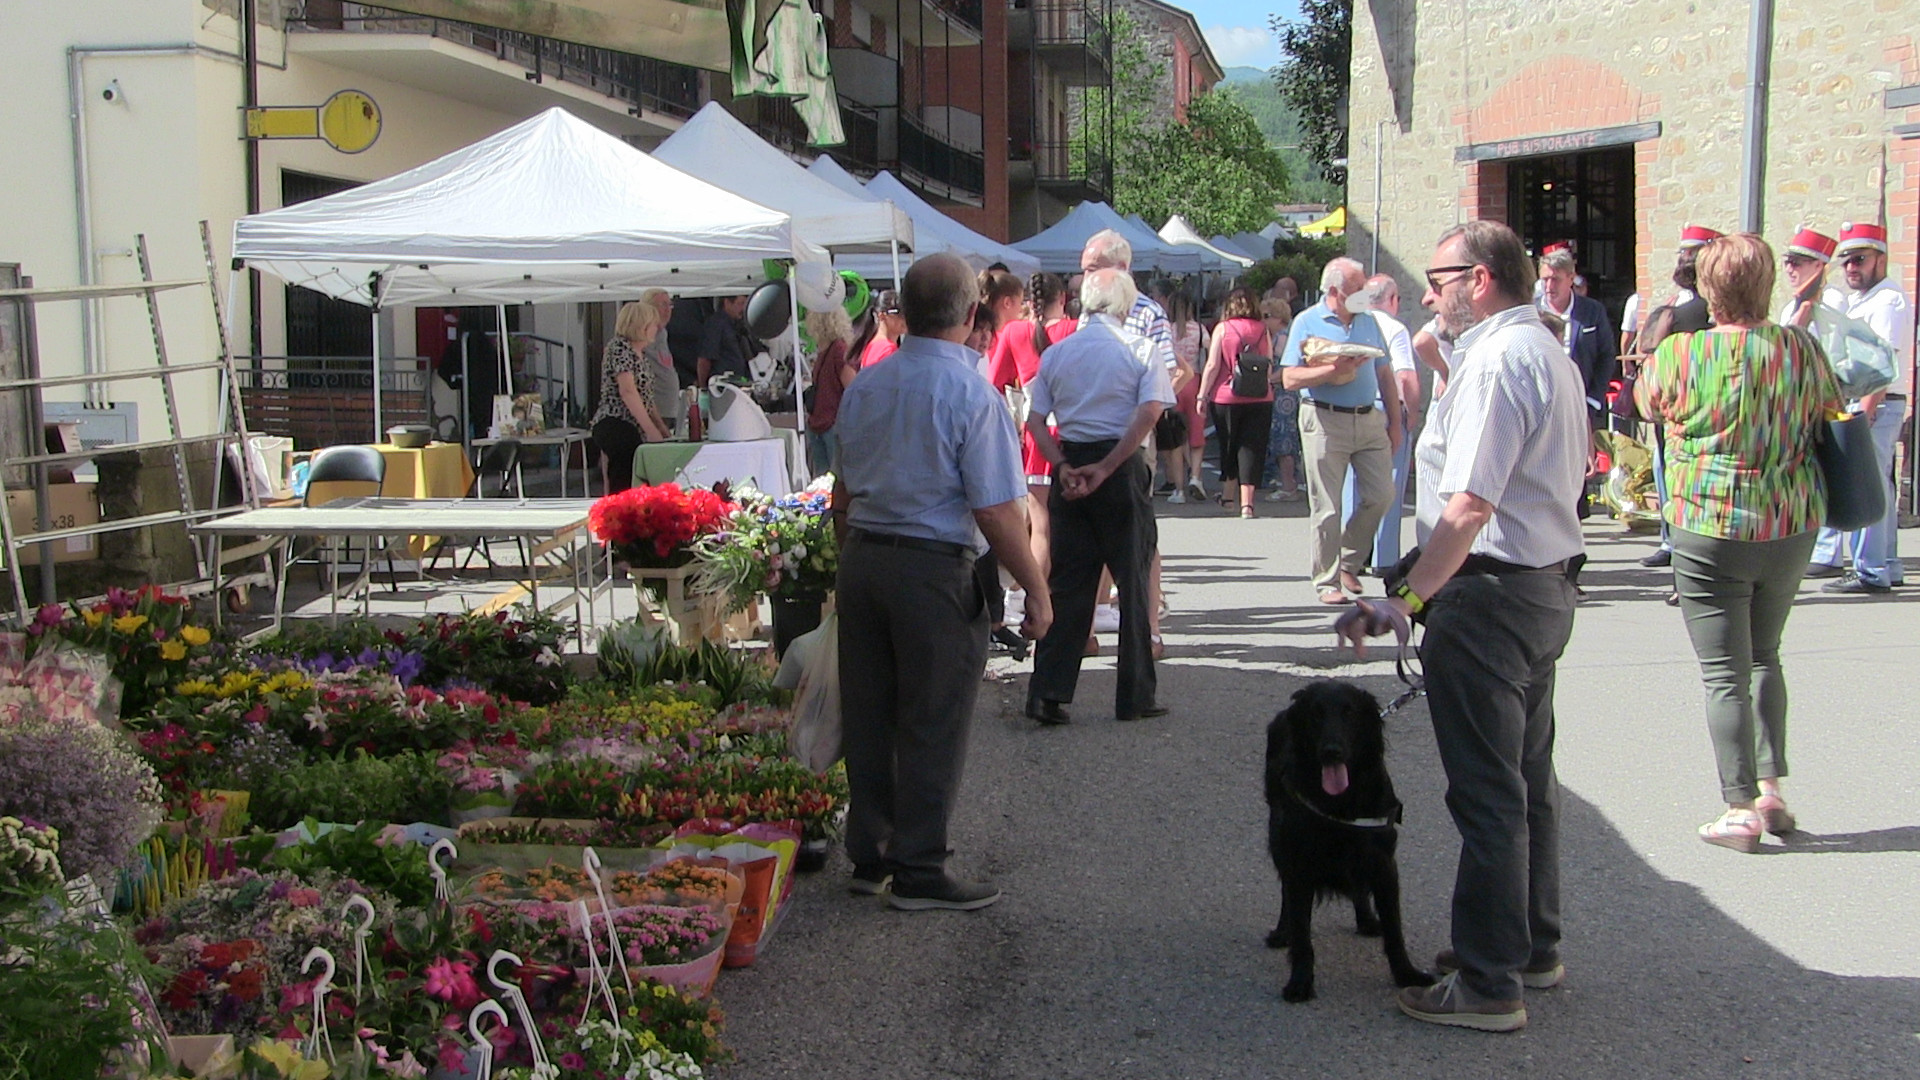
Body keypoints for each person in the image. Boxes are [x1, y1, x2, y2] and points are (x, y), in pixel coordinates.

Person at [1339, 220, 1587, 1032]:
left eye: (1439, 277)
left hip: (1491, 599)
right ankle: (1526, 948)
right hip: (1540, 587)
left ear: (1479, 279)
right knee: (1525, 784)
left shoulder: (1500, 358)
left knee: (1490, 797)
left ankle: (1488, 982)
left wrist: (1405, 600)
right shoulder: (1541, 347)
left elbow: (1470, 505)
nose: (1426, 293)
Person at [832, 253, 1053, 911]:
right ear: (968, 314)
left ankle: (871, 854)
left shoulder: (868, 385)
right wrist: (1036, 589)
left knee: (870, 714)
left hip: (866, 556)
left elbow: (841, 495)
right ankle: (921, 867)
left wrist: (853, 560)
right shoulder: (972, 395)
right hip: (931, 567)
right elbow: (995, 509)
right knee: (932, 719)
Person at [1634, 232, 1845, 852]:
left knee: (1724, 672)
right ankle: (1773, 789)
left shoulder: (1680, 353)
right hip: (1789, 518)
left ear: (1707, 289)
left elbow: (1645, 405)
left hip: (1709, 522)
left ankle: (1738, 807)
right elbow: (1833, 411)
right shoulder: (1800, 348)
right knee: (1766, 654)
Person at [1023, 269, 1173, 725]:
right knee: (1131, 582)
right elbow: (1150, 411)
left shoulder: (1057, 353)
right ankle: (1134, 696)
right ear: (1125, 307)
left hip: (1071, 463)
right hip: (1119, 465)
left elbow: (1034, 420)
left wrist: (1064, 466)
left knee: (1069, 584)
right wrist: (1107, 467)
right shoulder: (1139, 350)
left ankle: (1047, 692)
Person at [1282, 257, 1402, 605]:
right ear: (1335, 291)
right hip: (1324, 418)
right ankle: (1327, 580)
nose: (1365, 293)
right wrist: (1333, 369)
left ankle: (1349, 559)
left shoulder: (1368, 321)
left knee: (1382, 494)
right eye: (1358, 288)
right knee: (1327, 506)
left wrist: (1395, 421)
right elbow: (1289, 378)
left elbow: (1384, 373)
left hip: (1367, 418)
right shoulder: (1307, 321)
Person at [1807, 221, 1912, 594]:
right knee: (1878, 485)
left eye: (1860, 259)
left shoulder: (1888, 300)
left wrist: (1865, 409)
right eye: (1847, 261)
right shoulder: (1860, 300)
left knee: (1870, 486)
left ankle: (1872, 570)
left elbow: (1885, 363)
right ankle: (1888, 565)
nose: (1852, 267)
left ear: (1880, 259)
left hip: (1877, 403)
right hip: (1863, 401)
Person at [1638, 228, 1721, 570]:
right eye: (1683, 253)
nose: (1685, 259)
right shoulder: (1675, 304)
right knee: (1664, 472)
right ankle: (1669, 538)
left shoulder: (1710, 309)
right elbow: (1646, 345)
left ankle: (1687, 542)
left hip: (1696, 405)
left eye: (1693, 253)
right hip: (1669, 405)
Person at [989, 272, 1076, 575]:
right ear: (1062, 298)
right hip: (1073, 433)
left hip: (1036, 435)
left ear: (1029, 301)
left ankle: (1034, 598)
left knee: (1039, 528)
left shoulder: (1014, 332)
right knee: (1077, 524)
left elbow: (994, 381)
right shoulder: (1075, 330)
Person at [1349, 274, 1421, 570]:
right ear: (1392, 300)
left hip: (1353, 407)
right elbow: (1404, 375)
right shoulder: (1395, 328)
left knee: (1353, 484)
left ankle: (1352, 555)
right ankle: (1383, 556)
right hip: (1386, 408)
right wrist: (1410, 416)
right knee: (1389, 482)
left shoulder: (1354, 325)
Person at [1197, 287, 1275, 518]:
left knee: (1229, 446)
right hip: (1260, 396)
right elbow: (1268, 364)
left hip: (1226, 395)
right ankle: (1247, 505)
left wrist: (1202, 395)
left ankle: (1228, 497)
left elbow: (1212, 365)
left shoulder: (1223, 328)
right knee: (1252, 447)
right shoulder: (1263, 330)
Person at [590, 300, 671, 494]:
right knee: (623, 478)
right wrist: (650, 429)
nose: (656, 328)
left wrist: (660, 427)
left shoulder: (640, 354)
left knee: (635, 478)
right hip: (616, 422)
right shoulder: (620, 348)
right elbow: (628, 392)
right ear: (641, 326)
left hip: (633, 425)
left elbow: (647, 397)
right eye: (652, 324)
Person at [1163, 290, 1209, 503]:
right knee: (1197, 435)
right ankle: (1196, 477)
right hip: (1195, 381)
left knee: (1175, 439)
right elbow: (1209, 353)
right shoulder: (1199, 330)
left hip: (1172, 383)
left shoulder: (1167, 330)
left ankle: (1179, 490)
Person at [803, 303, 859, 476]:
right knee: (825, 482)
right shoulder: (827, 350)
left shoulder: (838, 350)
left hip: (831, 424)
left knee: (831, 480)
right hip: (821, 424)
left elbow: (852, 388)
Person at [1261, 298, 1305, 502]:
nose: (1263, 321)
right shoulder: (1285, 335)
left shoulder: (1282, 338)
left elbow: (1288, 367)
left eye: (1266, 316)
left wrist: (1268, 380)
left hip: (1284, 394)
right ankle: (1289, 482)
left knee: (1283, 439)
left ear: (1279, 318)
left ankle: (1288, 486)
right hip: (1287, 391)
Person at [640, 289, 682, 439]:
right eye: (663, 305)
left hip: (669, 409)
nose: (668, 310)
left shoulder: (662, 333)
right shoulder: (641, 335)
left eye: (670, 305)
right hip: (654, 411)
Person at [696, 294, 754, 390]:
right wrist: (703, 387)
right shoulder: (715, 324)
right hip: (722, 387)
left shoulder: (737, 324)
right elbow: (704, 359)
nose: (743, 308)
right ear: (727, 303)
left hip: (739, 384)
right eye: (740, 303)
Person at [858, 290, 905, 368]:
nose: (904, 318)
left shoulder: (872, 345)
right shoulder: (888, 350)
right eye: (898, 312)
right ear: (882, 316)